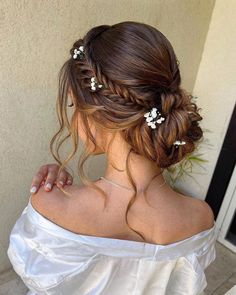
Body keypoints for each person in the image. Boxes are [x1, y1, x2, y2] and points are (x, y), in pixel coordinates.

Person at [7, 21, 218, 295]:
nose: (73, 118)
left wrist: (59, 195)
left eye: (73, 104)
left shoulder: (51, 206)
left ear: (99, 112)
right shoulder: (200, 218)